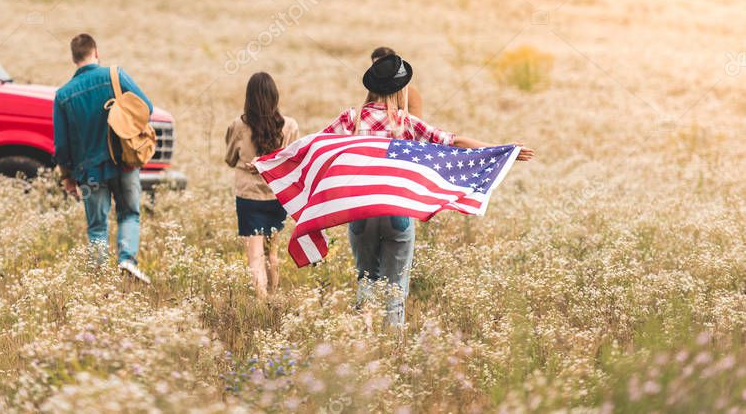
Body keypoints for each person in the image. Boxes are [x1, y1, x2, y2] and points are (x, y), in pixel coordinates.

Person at [324, 53, 534, 326]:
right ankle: (392, 350)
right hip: (397, 213)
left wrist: (268, 162)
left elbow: (312, 147)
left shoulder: (350, 120)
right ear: (399, 90)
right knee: (395, 288)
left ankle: (361, 342)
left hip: (361, 214)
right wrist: (505, 151)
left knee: (366, 279)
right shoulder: (406, 123)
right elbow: (454, 141)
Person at [53, 33, 153, 283]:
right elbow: (146, 108)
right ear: (95, 53)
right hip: (125, 162)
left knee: (97, 227)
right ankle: (127, 260)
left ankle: (98, 277)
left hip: (88, 172)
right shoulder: (115, 75)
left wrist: (67, 178)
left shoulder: (63, 95)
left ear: (73, 58)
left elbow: (62, 146)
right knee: (129, 213)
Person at [225, 72, 300, 298]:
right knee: (272, 254)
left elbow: (229, 159)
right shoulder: (290, 126)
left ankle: (261, 304)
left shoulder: (238, 125)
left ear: (249, 97)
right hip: (276, 197)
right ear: (275, 96)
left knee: (254, 255)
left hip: (248, 197)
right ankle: (273, 298)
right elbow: (293, 162)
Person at [367, 46, 422, 117]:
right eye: (376, 65)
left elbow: (415, 122)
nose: (381, 70)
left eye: (385, 66)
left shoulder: (410, 94)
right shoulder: (373, 92)